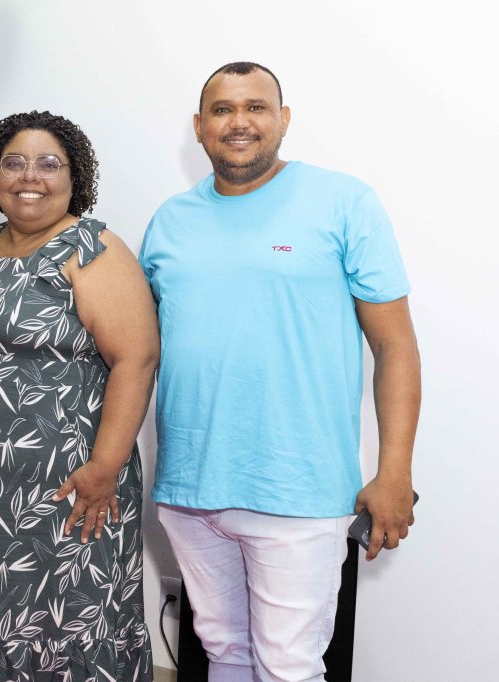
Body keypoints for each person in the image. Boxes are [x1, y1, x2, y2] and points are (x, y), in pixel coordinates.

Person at [138, 62, 421, 681]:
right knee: (223, 653)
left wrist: (394, 472)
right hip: (189, 488)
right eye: (222, 110)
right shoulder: (169, 221)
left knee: (289, 665)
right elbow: (141, 353)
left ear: (283, 119)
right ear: (199, 127)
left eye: (256, 107)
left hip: (297, 486)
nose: (238, 122)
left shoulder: (343, 201)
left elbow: (395, 345)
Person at [0, 111, 158, 681]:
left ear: (75, 177)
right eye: (14, 163)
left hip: (66, 488)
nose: (30, 176)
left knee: (58, 620)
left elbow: (138, 358)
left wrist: (104, 468)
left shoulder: (91, 248)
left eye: (50, 164)